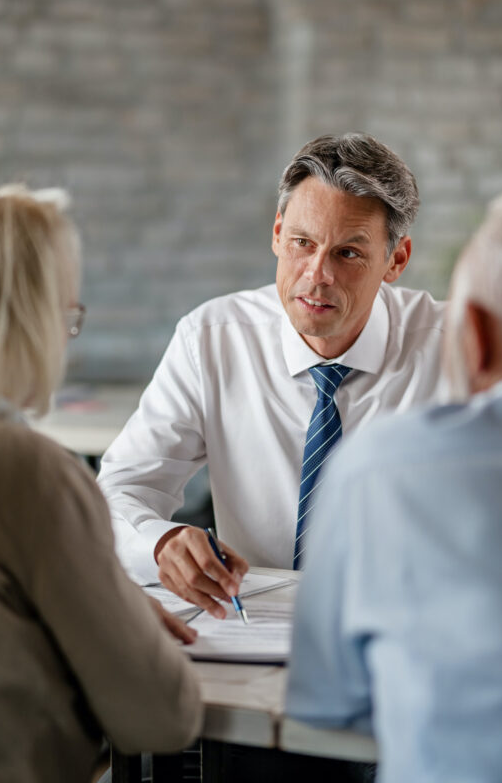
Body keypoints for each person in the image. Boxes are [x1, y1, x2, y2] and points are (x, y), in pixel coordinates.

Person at [286, 185, 502, 783]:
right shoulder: (214, 333)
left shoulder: (384, 469)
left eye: (350, 252)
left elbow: (325, 701)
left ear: (475, 335)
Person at [0, 184, 201, 783]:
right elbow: (161, 721)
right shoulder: (25, 470)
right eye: (66, 314)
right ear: (25, 319)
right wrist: (121, 613)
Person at [98, 133, 445, 615]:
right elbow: (119, 491)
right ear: (278, 232)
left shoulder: (455, 349)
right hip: (251, 627)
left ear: (396, 260)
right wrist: (162, 543)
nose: (316, 274)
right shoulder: (212, 339)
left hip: (408, 626)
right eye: (303, 243)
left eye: (347, 254)